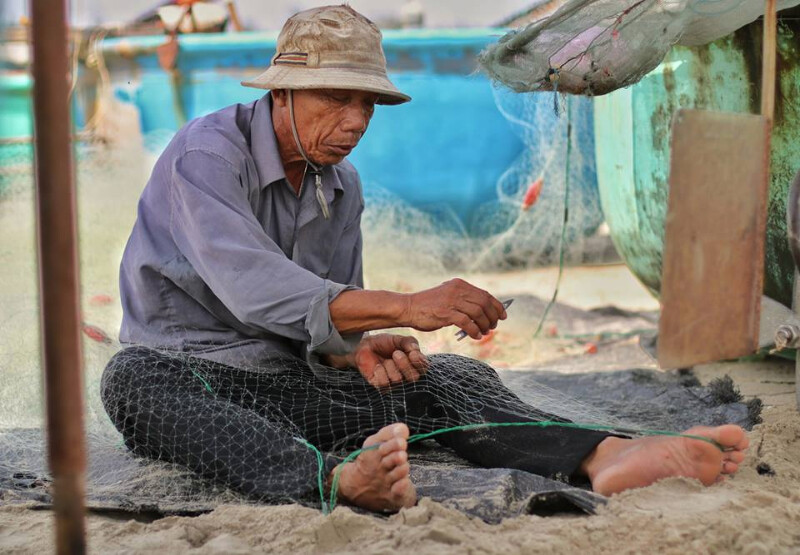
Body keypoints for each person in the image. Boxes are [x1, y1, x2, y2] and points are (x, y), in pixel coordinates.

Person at [102, 4, 748, 513]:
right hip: (191, 374)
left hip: (286, 382)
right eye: (335, 97)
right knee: (131, 386)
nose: (355, 120)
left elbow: (325, 317)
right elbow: (257, 291)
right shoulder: (205, 156)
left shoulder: (339, 185)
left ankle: (600, 455)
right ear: (282, 93)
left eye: (367, 104)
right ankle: (336, 481)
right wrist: (410, 305)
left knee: (442, 379)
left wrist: (358, 347)